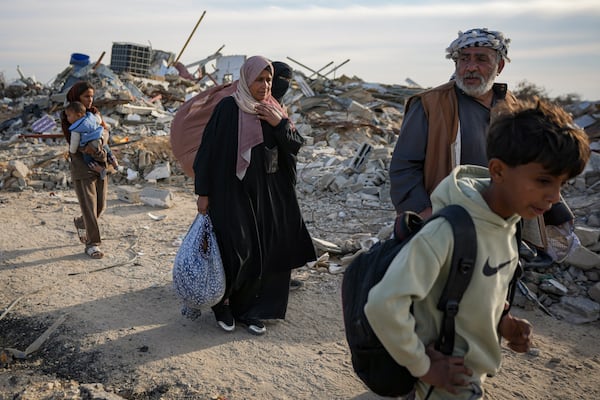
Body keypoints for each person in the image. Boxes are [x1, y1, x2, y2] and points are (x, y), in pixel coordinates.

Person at [364, 98, 590, 399]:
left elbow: (472, 289)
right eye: (543, 180)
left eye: (562, 184)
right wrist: (422, 366)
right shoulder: (448, 231)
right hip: (442, 382)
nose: (553, 196)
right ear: (497, 171)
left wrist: (502, 323)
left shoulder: (507, 223)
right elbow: (383, 303)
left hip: (469, 376)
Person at [193, 56, 316, 335]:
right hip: (229, 191)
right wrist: (203, 192)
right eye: (259, 79)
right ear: (246, 80)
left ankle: (249, 310)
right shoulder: (228, 108)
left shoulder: (274, 110)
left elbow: (294, 146)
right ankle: (222, 305)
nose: (265, 85)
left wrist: (279, 124)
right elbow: (207, 153)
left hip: (267, 192)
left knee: (262, 251)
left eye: (269, 79)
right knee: (235, 249)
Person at [389, 27, 514, 220]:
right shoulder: (430, 104)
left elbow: (533, 163)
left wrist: (556, 212)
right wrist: (422, 212)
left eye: (481, 59)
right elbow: (404, 166)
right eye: (464, 59)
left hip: (504, 218)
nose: (471, 67)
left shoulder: (512, 107)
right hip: (449, 217)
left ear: (500, 66)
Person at [60, 81, 109, 259]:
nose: (90, 100)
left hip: (100, 163)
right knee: (89, 206)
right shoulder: (69, 116)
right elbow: (74, 143)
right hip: (82, 167)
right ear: (76, 98)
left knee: (100, 205)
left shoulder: (95, 114)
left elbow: (106, 132)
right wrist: (89, 146)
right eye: (86, 96)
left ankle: (81, 222)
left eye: (92, 96)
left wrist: (99, 145)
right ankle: (92, 244)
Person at [64, 101, 119, 179]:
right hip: (101, 140)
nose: (67, 118)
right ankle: (115, 164)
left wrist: (72, 152)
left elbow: (74, 142)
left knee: (88, 160)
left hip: (88, 146)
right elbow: (99, 119)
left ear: (78, 115)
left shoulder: (76, 129)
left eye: (69, 116)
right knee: (108, 152)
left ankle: (101, 170)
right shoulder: (91, 117)